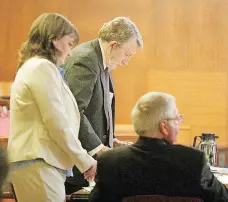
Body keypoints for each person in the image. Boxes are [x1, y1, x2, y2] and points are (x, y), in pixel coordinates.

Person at [7, 13, 96, 202]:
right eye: (70, 44)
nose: (70, 53)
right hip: (39, 161)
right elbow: (57, 122)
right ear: (55, 39)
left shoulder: (38, 68)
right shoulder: (42, 68)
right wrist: (85, 161)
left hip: (40, 162)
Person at [89, 92, 228, 202]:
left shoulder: (110, 162)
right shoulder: (194, 161)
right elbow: (222, 198)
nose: (179, 123)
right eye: (177, 118)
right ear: (164, 126)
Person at [62, 16, 143, 192]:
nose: (126, 62)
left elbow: (98, 109)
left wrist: (112, 140)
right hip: (75, 165)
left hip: (87, 165)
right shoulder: (86, 60)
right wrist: (98, 148)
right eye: (127, 55)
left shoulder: (104, 61)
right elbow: (75, 112)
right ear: (114, 45)